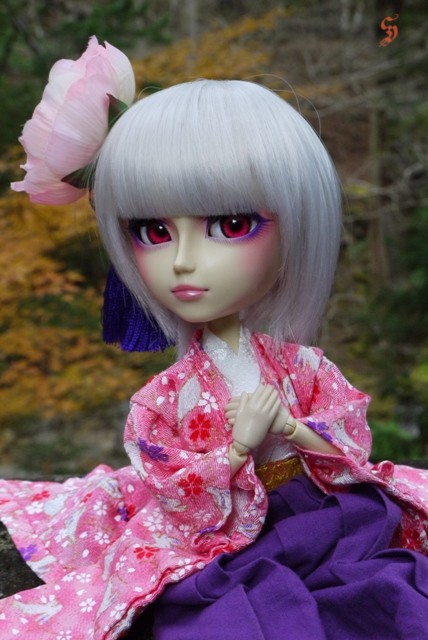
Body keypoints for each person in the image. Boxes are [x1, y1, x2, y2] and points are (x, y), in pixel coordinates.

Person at [2, 37, 428, 639]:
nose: (182, 260)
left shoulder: (303, 367)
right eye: (153, 231)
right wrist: (236, 449)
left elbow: (351, 444)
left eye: (230, 225)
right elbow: (175, 491)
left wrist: (289, 428)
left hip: (323, 516)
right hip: (227, 538)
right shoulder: (163, 398)